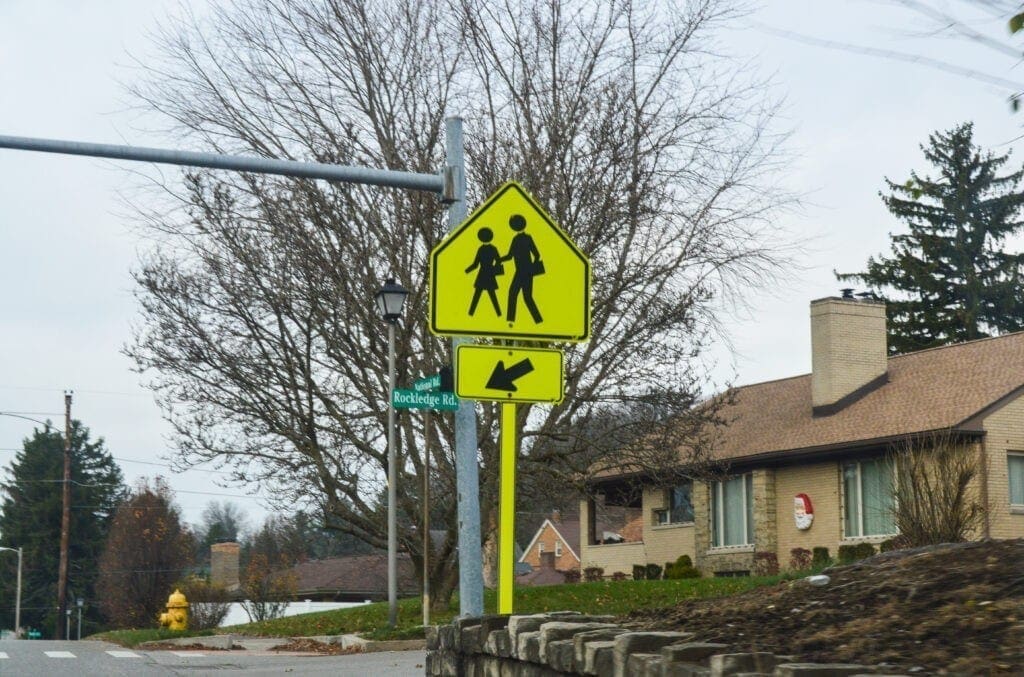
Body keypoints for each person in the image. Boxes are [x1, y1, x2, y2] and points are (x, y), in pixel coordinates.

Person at [500, 214, 543, 324]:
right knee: (523, 296)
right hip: (524, 272)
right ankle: (536, 320)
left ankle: (512, 320)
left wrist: (499, 260)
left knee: (517, 295)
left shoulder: (520, 239)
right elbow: (536, 256)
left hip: (523, 272)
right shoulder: (522, 239)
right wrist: (532, 267)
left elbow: (510, 256)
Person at [465, 226, 503, 316]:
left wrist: (466, 271)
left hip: (482, 274)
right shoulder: (493, 249)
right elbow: (499, 261)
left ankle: (471, 314)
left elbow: (475, 264)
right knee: (492, 295)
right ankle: (499, 314)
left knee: (477, 295)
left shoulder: (481, 249)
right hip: (490, 274)